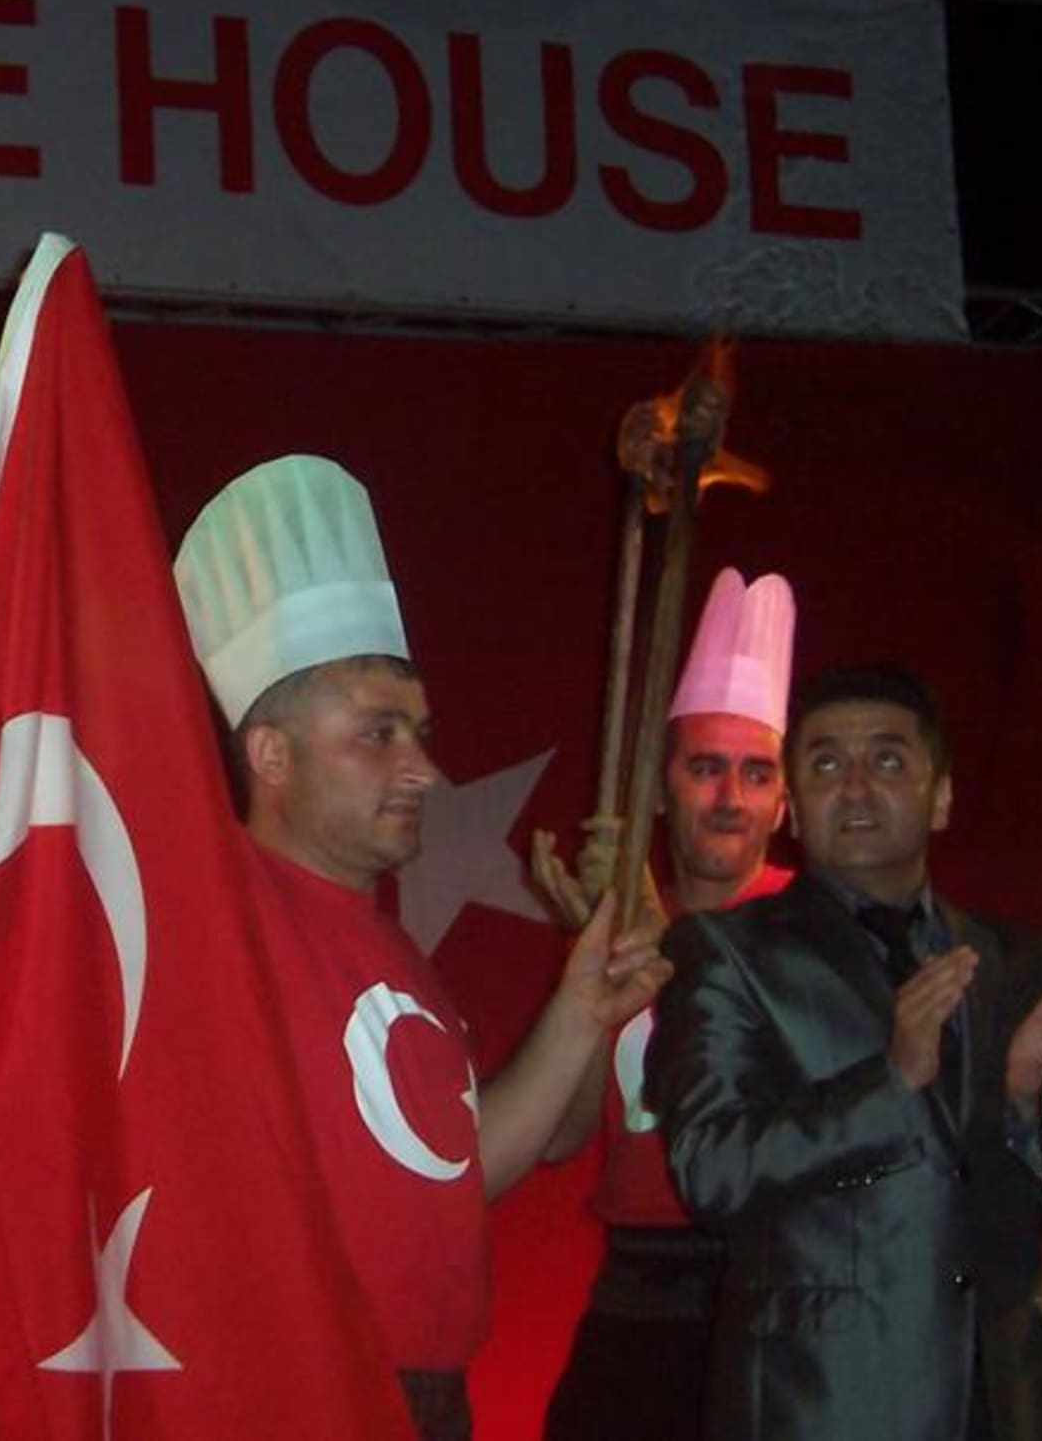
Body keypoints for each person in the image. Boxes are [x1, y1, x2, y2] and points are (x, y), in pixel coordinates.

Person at [172, 454, 670, 1441]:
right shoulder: (213, 912)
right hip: (288, 1394)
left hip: (427, 1397)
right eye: (379, 735)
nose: (424, 770)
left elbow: (462, 1174)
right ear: (270, 754)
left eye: (419, 732)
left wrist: (581, 1012)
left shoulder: (393, 952)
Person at [648, 662, 1042, 1440]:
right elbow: (711, 1170)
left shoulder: (1018, 962)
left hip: (1010, 1394)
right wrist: (889, 1084)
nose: (855, 788)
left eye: (887, 760)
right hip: (828, 1398)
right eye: (826, 765)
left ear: (940, 795)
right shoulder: (728, 954)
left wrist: (1029, 1107)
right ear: (793, 805)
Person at [538, 566, 797, 1439]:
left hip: (769, 1284)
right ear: (659, 788)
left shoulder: (813, 927)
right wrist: (591, 967)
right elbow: (564, 1137)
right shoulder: (616, 922)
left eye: (755, 775)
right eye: (705, 769)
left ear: (783, 801)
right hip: (636, 1292)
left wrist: (670, 951)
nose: (729, 800)